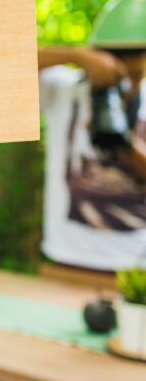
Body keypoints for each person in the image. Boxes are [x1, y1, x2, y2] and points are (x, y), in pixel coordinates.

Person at [38, 45, 146, 271]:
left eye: (136, 75)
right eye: (117, 75)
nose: (127, 85)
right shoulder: (65, 88)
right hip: (68, 255)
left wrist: (121, 141)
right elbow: (10, 62)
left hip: (135, 263)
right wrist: (75, 55)